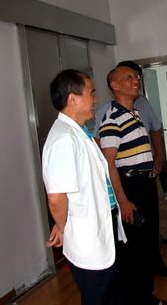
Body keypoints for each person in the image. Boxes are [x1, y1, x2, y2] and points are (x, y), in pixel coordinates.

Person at [42, 70, 126, 305]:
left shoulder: (78, 132)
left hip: (100, 227)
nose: (95, 99)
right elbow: (56, 198)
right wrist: (62, 226)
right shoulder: (63, 139)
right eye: (91, 93)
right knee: (98, 296)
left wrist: (61, 223)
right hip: (88, 237)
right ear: (73, 99)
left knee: (111, 295)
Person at [93, 61, 167, 278]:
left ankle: (148, 281)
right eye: (129, 78)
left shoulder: (134, 113)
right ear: (115, 86)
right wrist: (123, 200)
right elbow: (109, 163)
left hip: (146, 181)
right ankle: (138, 290)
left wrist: (157, 161)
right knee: (135, 240)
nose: (136, 81)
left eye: (136, 77)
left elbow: (155, 132)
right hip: (130, 184)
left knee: (149, 232)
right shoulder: (111, 119)